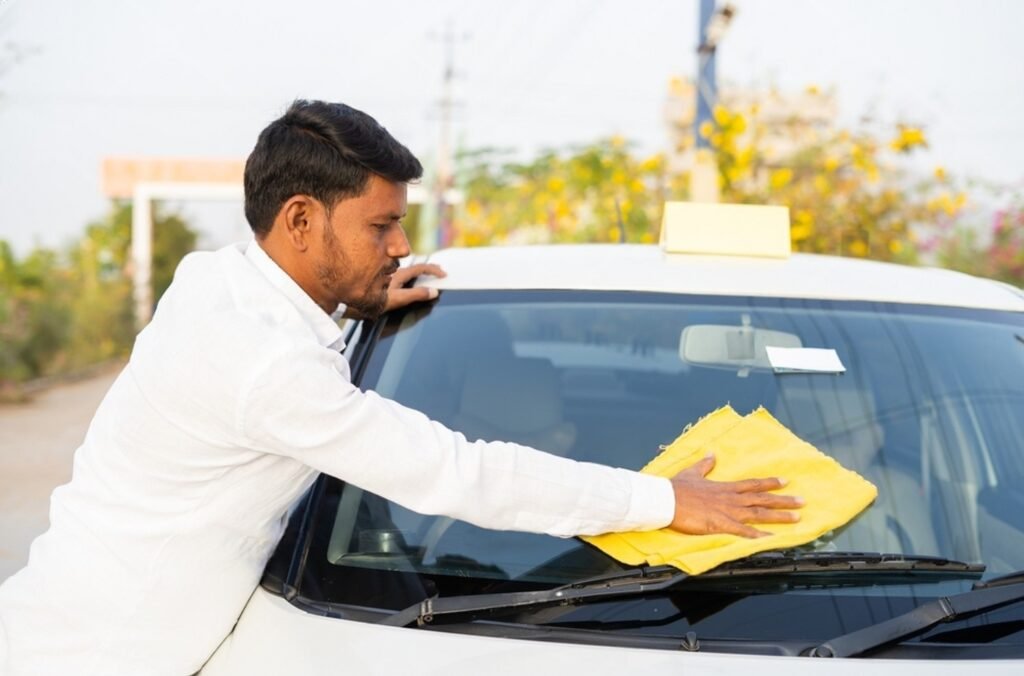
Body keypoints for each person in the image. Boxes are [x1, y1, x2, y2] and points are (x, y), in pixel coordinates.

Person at [0, 100, 803, 676]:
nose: (401, 244)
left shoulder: (217, 281)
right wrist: (661, 502)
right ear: (302, 221)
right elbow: (455, 472)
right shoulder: (265, 364)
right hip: (102, 656)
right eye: (380, 227)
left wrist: (355, 291)